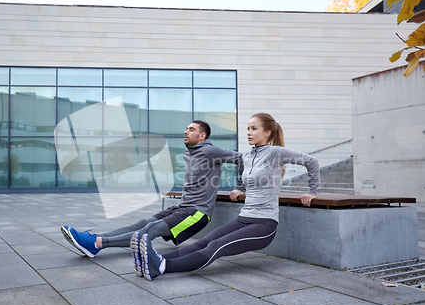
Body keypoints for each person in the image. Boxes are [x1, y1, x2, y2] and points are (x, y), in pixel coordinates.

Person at [136, 113, 321, 280]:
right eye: (248, 128)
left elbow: (311, 161)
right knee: (205, 241)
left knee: (215, 246)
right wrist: (241, 189)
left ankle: (161, 266)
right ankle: (153, 259)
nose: (249, 132)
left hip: (264, 224)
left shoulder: (275, 153)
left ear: (268, 133)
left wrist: (313, 192)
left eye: (254, 128)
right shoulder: (248, 156)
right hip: (243, 219)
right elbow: (244, 171)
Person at [61, 120, 244, 277]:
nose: (185, 132)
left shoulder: (210, 151)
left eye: (191, 129)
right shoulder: (190, 153)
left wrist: (240, 188)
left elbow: (242, 159)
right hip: (182, 207)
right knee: (143, 222)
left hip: (196, 213)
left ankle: (96, 243)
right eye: (186, 129)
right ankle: (95, 238)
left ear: (202, 136)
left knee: (151, 229)